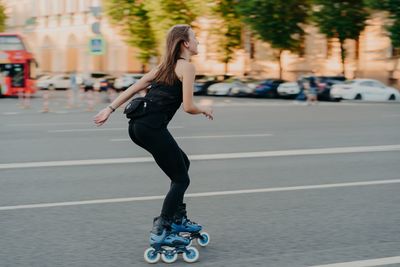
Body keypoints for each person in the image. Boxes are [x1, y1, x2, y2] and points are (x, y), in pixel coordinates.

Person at [93, 25, 213, 248]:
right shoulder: (187, 67)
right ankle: (163, 228)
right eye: (195, 38)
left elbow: (134, 87)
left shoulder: (165, 67)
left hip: (137, 127)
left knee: (182, 163)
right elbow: (188, 106)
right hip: (151, 127)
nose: (198, 42)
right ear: (185, 43)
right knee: (181, 179)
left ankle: (177, 218)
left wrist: (109, 109)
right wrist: (203, 109)